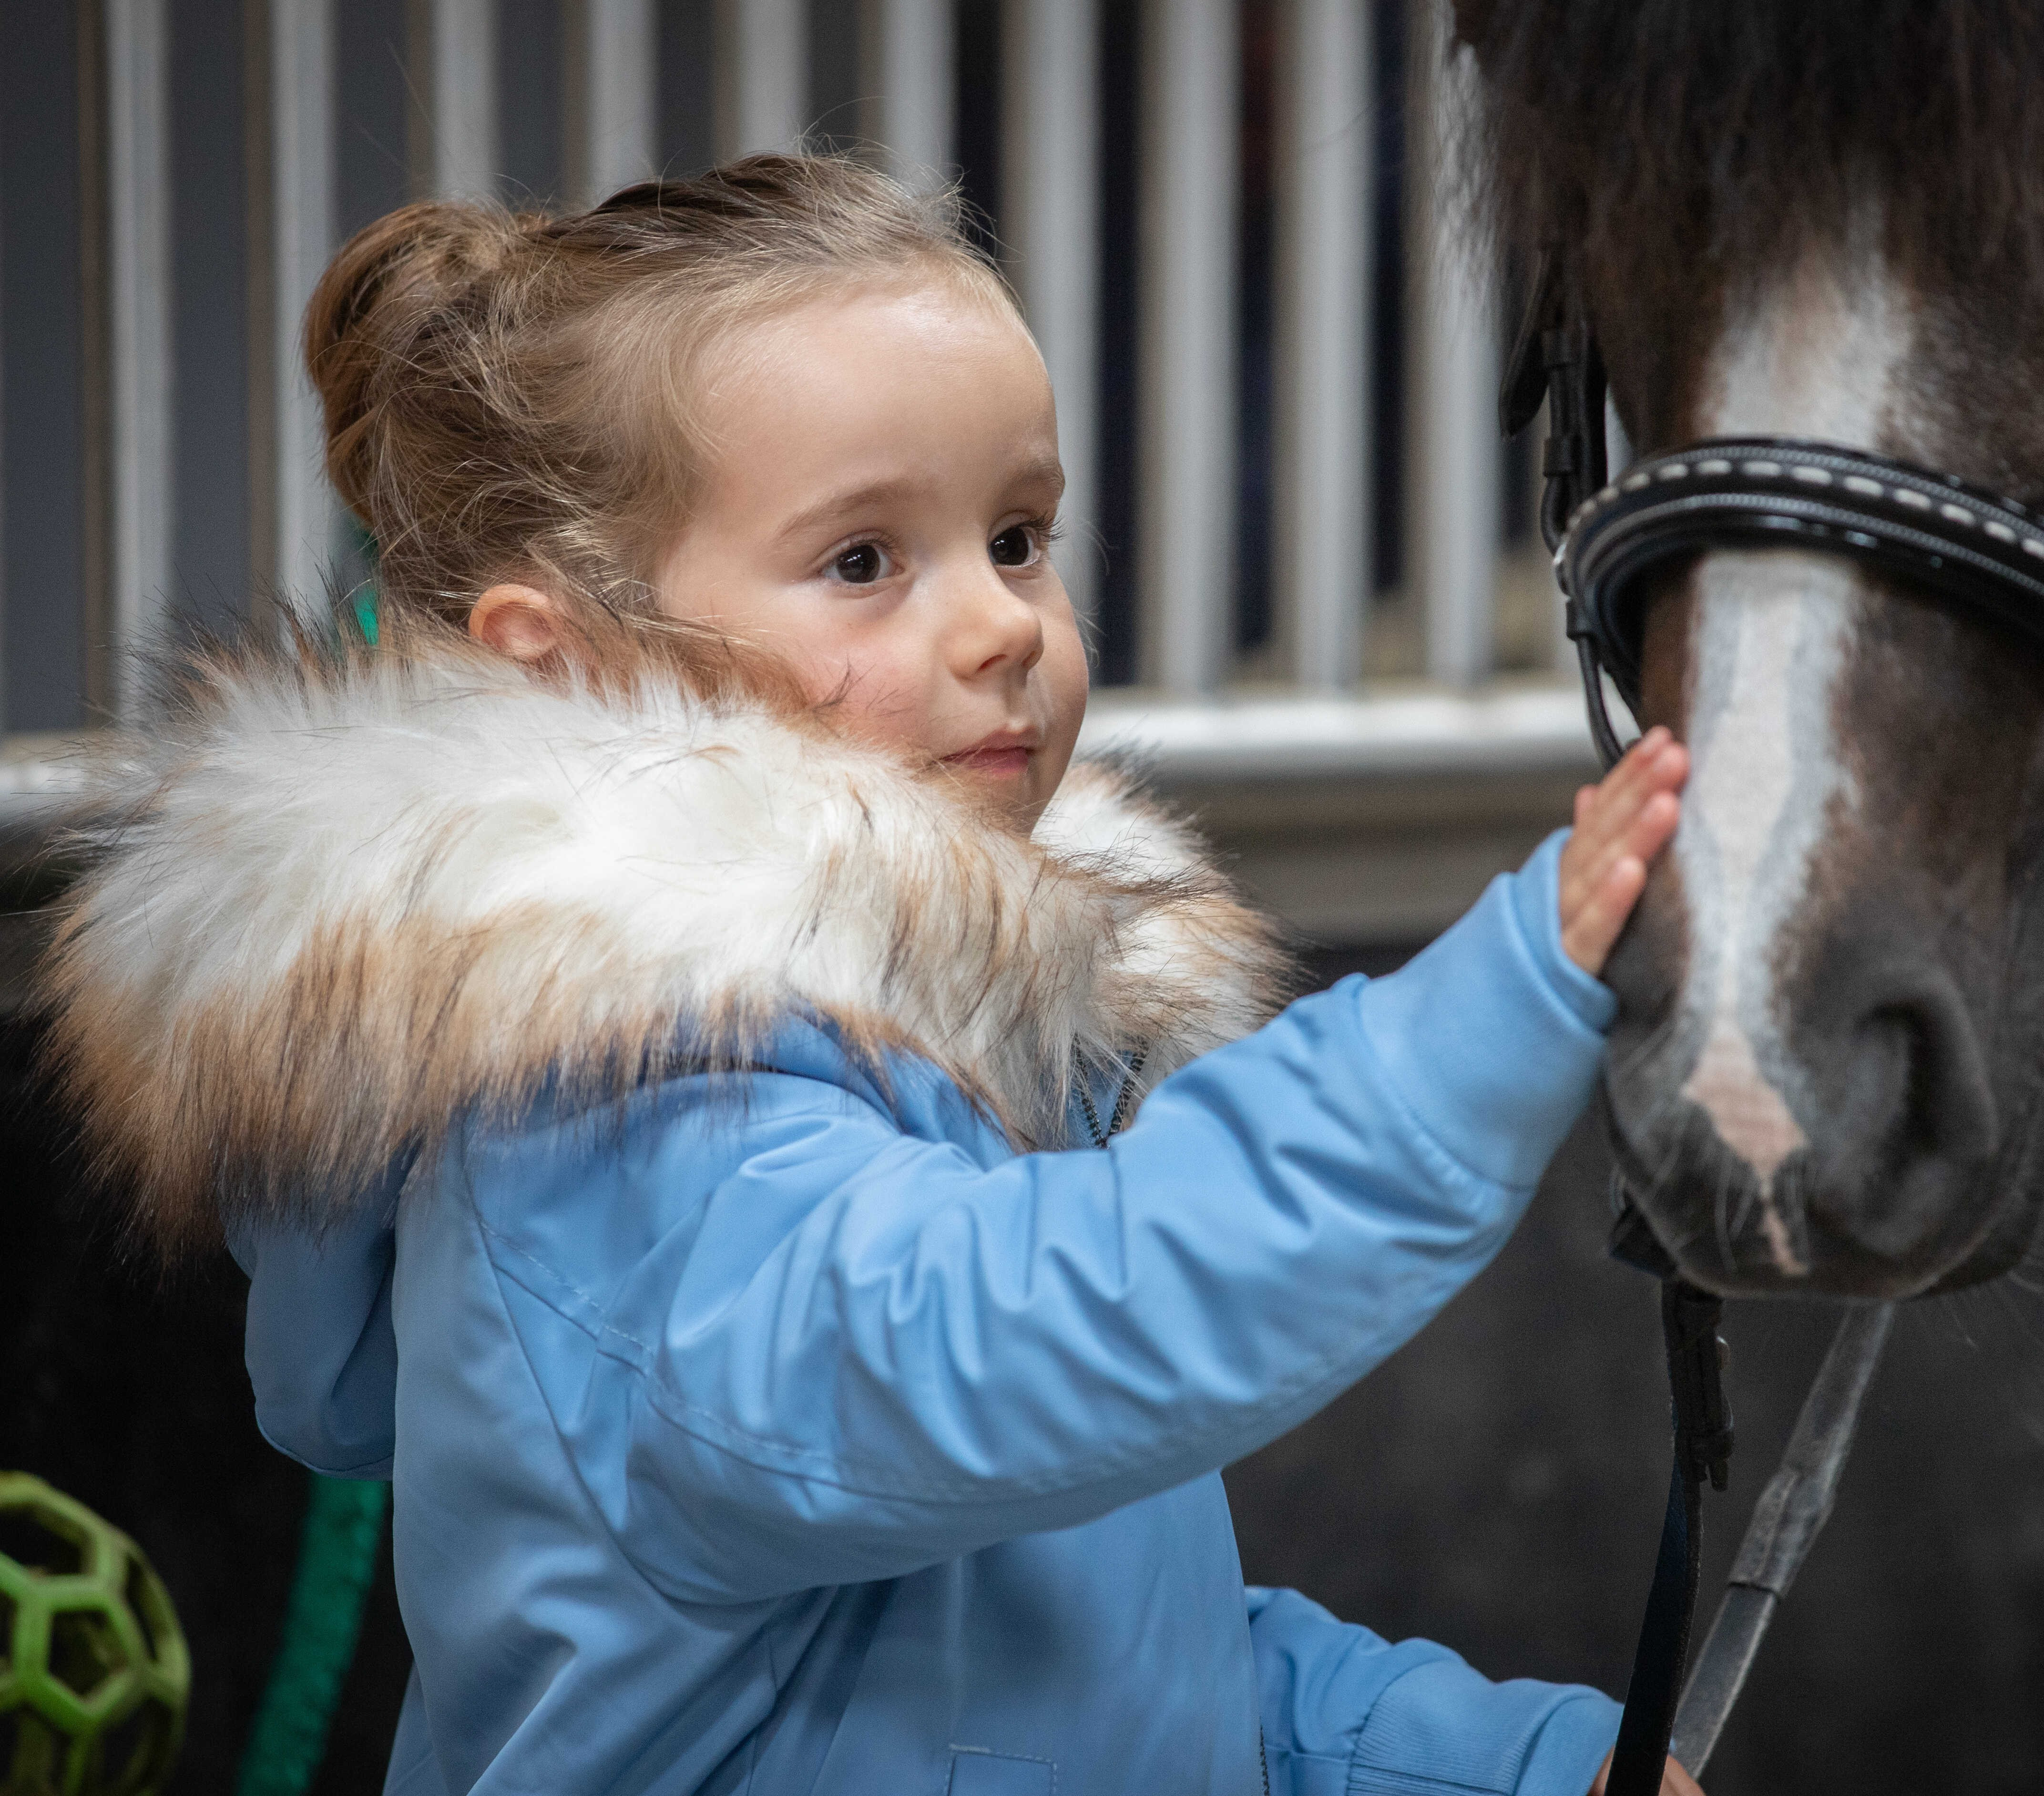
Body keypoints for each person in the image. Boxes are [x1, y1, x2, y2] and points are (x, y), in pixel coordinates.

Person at [40, 154, 1699, 1796]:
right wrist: (1469, 1027)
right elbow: (1011, 1343)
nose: (1001, 626)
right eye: (863, 562)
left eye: (1018, 534)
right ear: (571, 664)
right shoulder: (623, 1126)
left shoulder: (955, 1057)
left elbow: (1093, 1659)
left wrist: (1515, 1772)